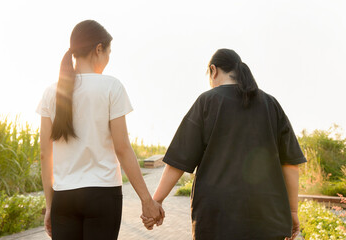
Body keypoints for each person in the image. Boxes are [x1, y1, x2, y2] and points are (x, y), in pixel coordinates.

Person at [142, 49, 306, 240]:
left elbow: (178, 160)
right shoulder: (271, 104)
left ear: (213, 70)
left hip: (217, 219)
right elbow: (291, 164)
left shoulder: (208, 101)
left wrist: (156, 201)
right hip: (268, 219)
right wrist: (293, 211)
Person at [37, 20, 164, 240]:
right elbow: (123, 149)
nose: (107, 59)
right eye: (108, 52)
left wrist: (50, 206)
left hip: (64, 197)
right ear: (98, 49)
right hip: (103, 194)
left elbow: (45, 154)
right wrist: (146, 200)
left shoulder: (51, 92)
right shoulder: (111, 87)